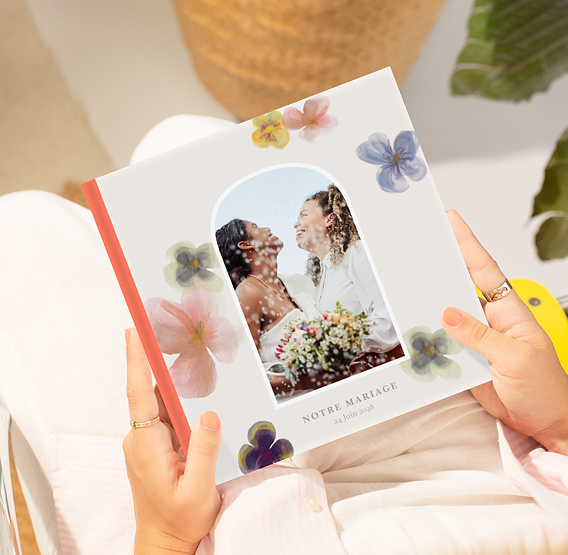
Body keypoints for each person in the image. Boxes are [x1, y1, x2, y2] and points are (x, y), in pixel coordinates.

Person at [124, 210, 568, 554]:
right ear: (246, 242)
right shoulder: (252, 292)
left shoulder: (294, 287)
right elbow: (243, 375)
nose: (280, 226)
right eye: (261, 225)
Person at [215, 218, 330, 398]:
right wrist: (311, 380)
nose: (266, 227)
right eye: (255, 227)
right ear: (245, 244)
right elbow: (248, 376)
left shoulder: (293, 283)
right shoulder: (249, 292)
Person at [295, 184, 402, 364]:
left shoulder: (356, 253)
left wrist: (334, 346)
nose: (296, 223)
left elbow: (387, 323)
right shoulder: (321, 279)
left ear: (329, 220)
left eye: (304, 215)